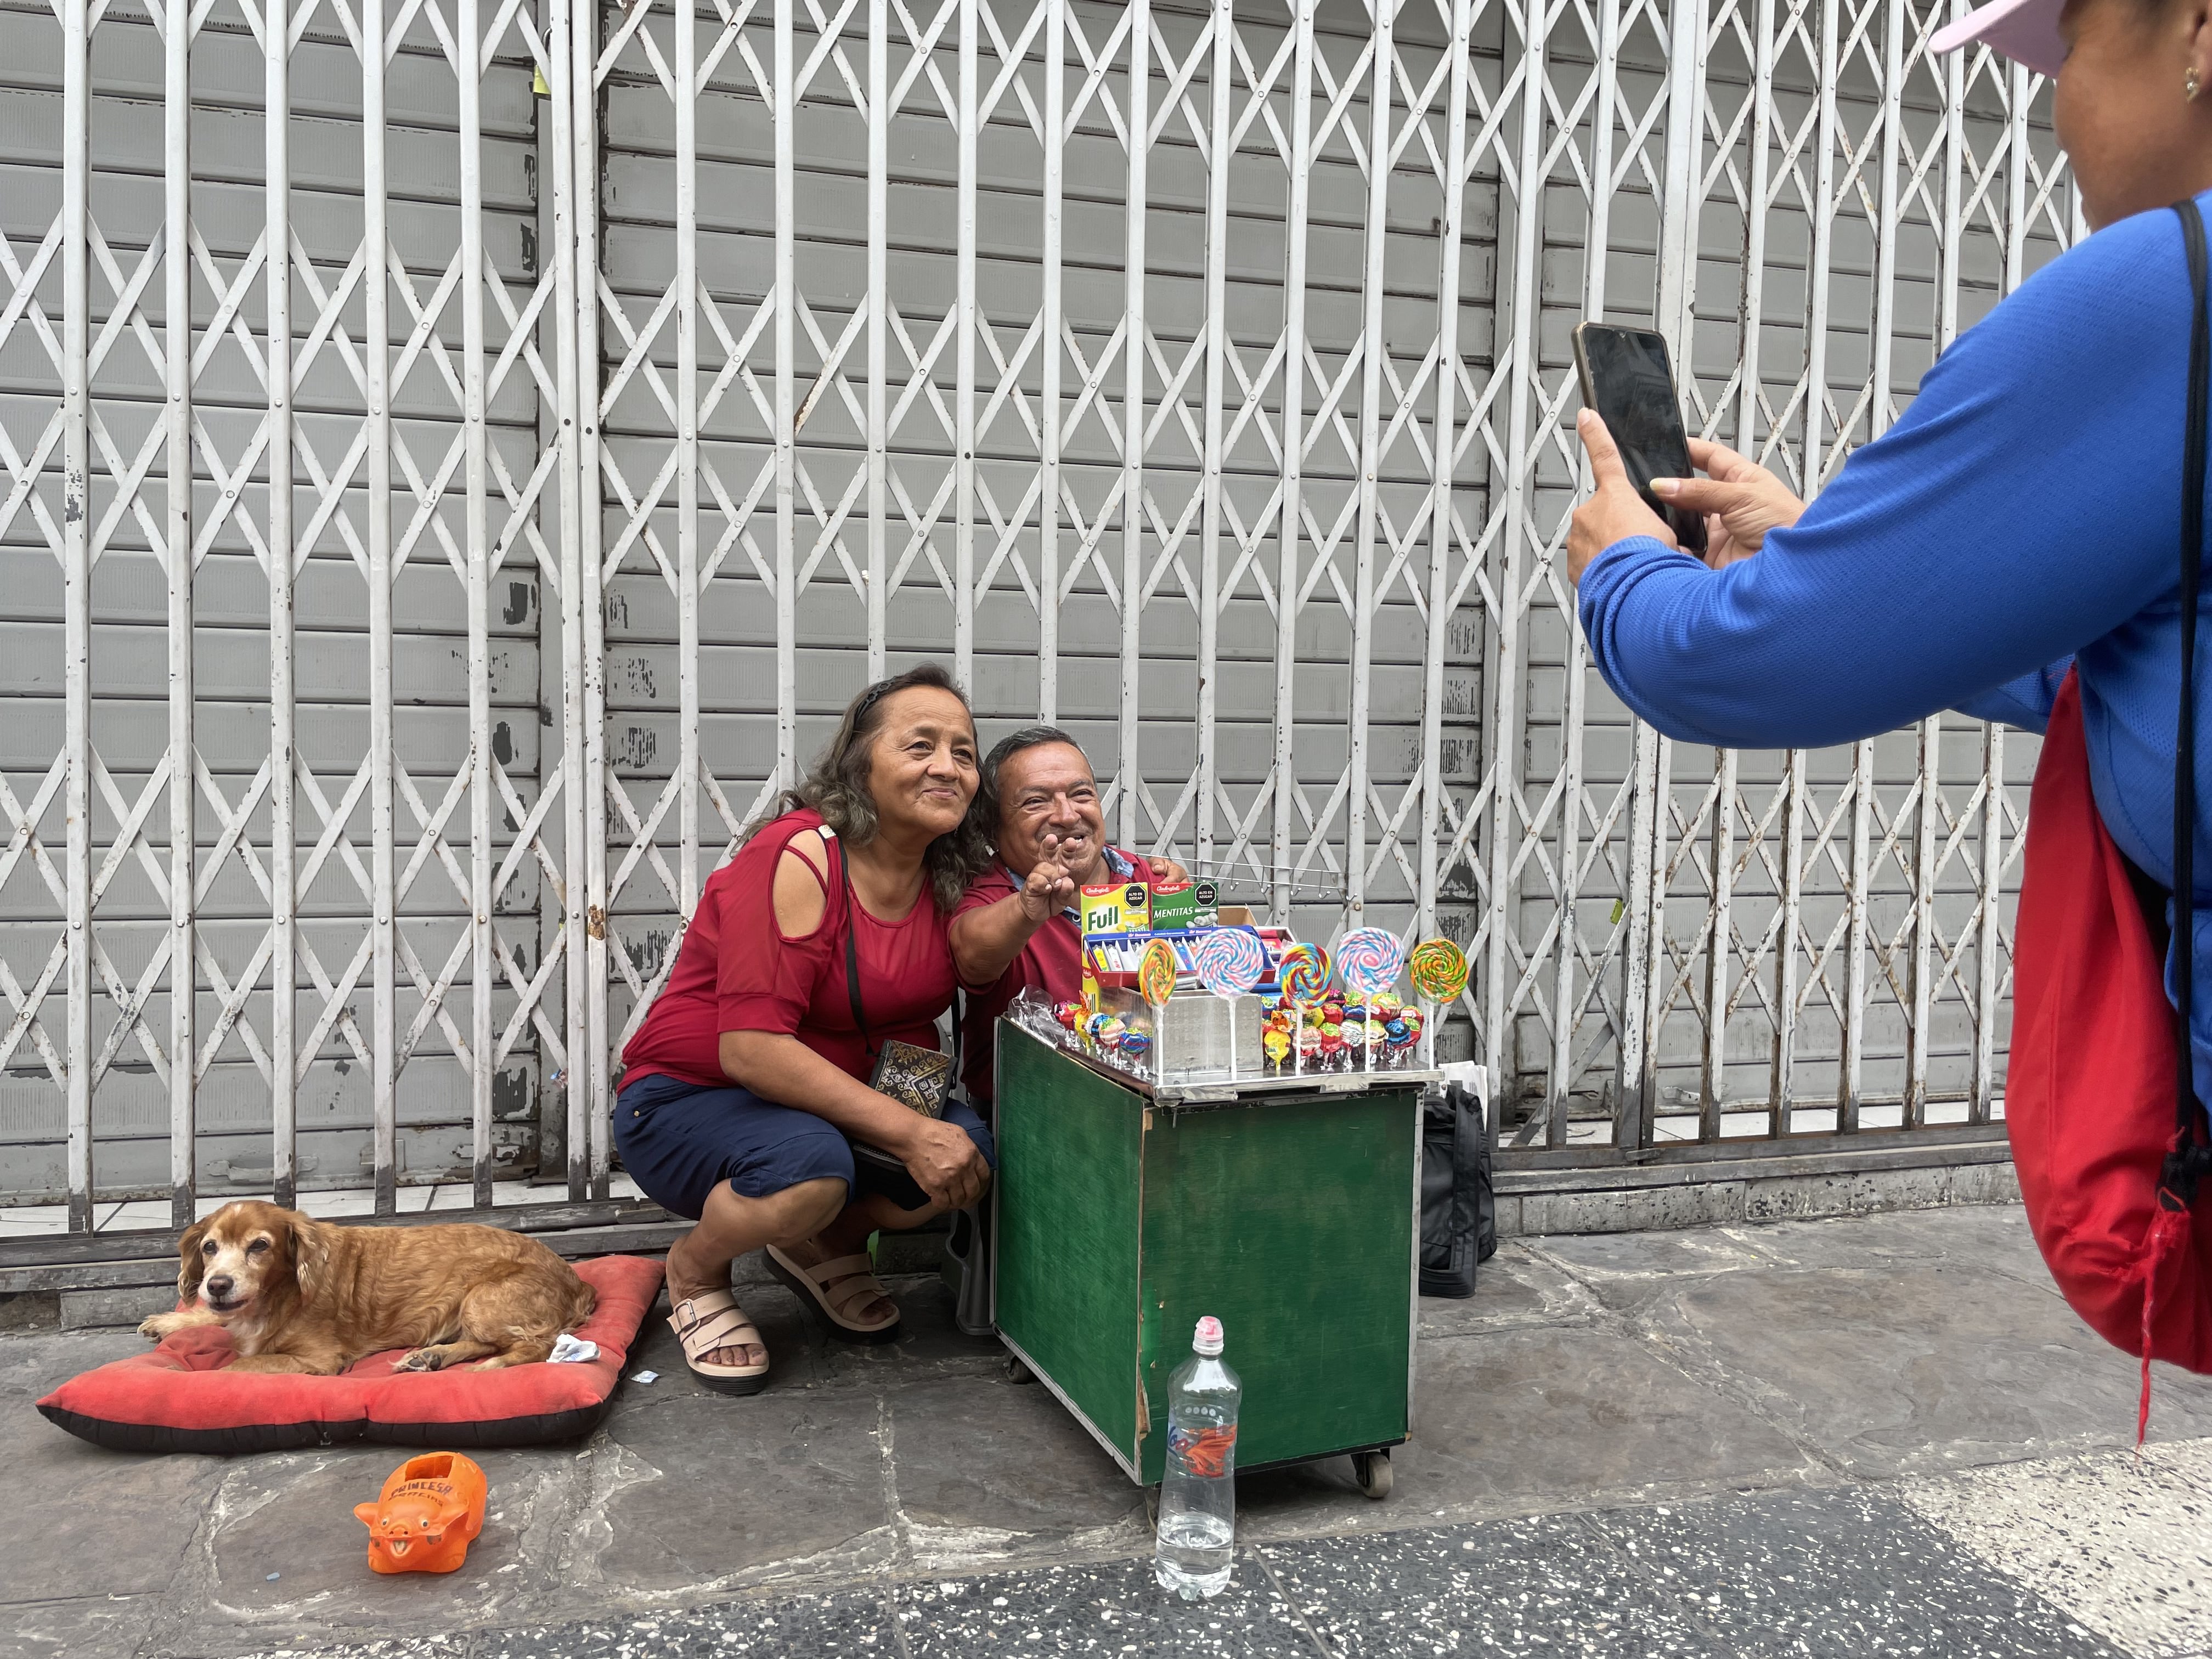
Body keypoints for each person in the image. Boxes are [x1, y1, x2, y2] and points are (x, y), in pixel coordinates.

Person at [1567, 0, 2212, 1108]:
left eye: (2070, 51)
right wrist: (1832, 551)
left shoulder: (2172, 293)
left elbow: (1757, 658)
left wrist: (1624, 568)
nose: (2055, 110)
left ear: (2198, 35)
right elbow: (2139, 670)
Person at [614, 665, 996, 1392]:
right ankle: (696, 1270)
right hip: (693, 1096)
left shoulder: (948, 876)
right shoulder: (800, 856)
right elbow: (750, 1049)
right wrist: (911, 1133)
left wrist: (1146, 877)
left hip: (832, 1096)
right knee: (812, 1170)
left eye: (965, 752)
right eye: (920, 746)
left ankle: (826, 1243)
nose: (947, 767)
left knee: (970, 1157)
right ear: (860, 764)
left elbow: (1057, 886)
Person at [948, 728, 1187, 1106]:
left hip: (1160, 1106)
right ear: (993, 827)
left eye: (1081, 794)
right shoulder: (991, 895)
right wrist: (1025, 912)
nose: (1066, 815)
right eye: (1035, 802)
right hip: (1037, 1115)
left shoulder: (1151, 879)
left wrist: (1182, 908)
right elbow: (972, 957)